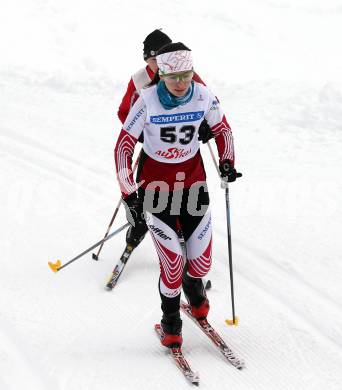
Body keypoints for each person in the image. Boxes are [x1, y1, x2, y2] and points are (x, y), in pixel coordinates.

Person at [114, 42, 240, 348]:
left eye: (187, 75)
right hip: (156, 190)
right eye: (174, 78)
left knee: (201, 265)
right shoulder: (146, 101)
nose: (182, 83)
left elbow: (223, 130)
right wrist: (129, 192)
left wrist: (227, 162)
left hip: (194, 188)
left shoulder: (203, 95)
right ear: (163, 75)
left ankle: (194, 288)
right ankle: (171, 322)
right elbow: (123, 146)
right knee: (171, 265)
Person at [116, 29, 213, 251]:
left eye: (160, 58)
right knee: (147, 190)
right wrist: (142, 133)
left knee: (181, 192)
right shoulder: (139, 80)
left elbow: (206, 104)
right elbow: (124, 112)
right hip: (152, 143)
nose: (157, 64)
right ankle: (138, 227)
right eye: (152, 60)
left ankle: (180, 236)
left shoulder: (183, 73)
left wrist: (205, 125)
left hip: (182, 146)